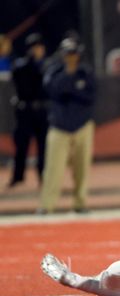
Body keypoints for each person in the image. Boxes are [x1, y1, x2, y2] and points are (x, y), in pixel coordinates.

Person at [37, 37, 95, 214]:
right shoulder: (54, 71)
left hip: (82, 125)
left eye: (73, 53)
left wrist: (71, 89)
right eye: (67, 53)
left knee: (82, 168)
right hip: (59, 126)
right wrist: (70, 78)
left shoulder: (85, 72)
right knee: (53, 169)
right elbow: (52, 90)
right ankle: (47, 205)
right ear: (62, 54)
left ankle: (80, 203)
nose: (71, 57)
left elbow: (90, 96)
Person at [8, 33, 48, 188]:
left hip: (41, 111)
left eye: (39, 46)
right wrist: (32, 61)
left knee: (43, 147)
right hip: (25, 111)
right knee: (21, 145)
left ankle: (43, 176)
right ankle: (18, 177)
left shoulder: (46, 65)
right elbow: (17, 74)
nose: (38, 50)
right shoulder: (22, 65)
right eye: (34, 47)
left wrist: (39, 63)